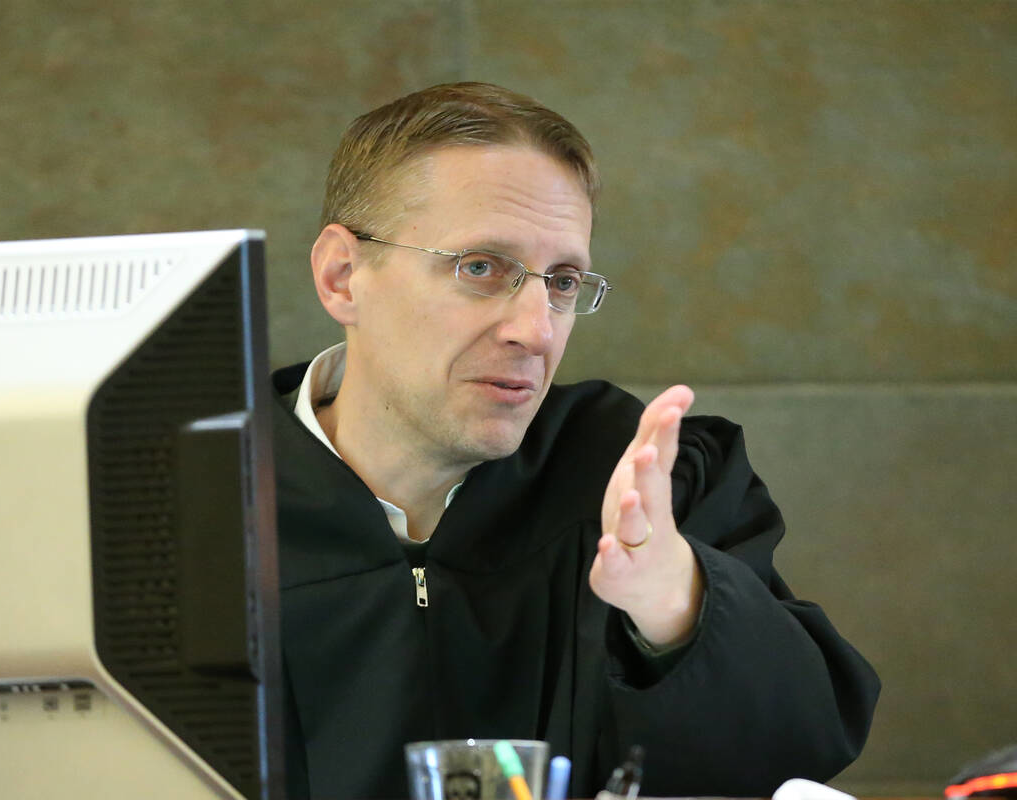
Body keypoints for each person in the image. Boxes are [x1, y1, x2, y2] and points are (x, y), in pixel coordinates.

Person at [271, 82, 880, 800]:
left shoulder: (635, 477)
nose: (535, 329)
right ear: (343, 277)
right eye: (480, 268)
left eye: (562, 281)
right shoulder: (184, 499)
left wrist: (672, 599)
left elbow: (796, 753)